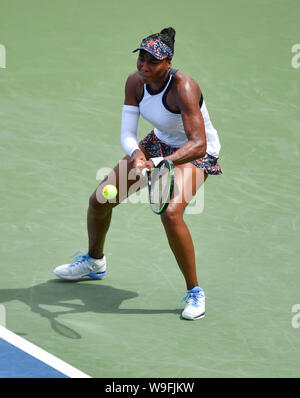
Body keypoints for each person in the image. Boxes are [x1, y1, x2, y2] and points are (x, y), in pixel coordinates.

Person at [54, 27, 222, 320]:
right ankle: (95, 261)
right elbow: (127, 132)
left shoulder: (184, 87)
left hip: (195, 152)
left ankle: (195, 291)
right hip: (159, 142)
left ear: (168, 63)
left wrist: (159, 163)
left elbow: (199, 144)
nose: (144, 66)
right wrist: (137, 155)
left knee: (171, 213)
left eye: (152, 61)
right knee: (99, 201)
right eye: (141, 59)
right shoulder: (135, 82)